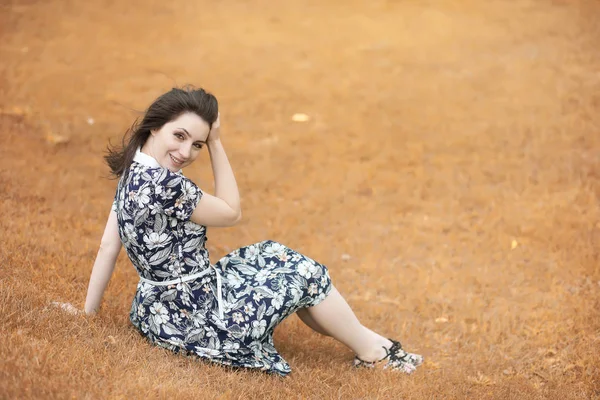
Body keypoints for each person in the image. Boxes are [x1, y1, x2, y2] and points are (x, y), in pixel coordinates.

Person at [84, 86, 423, 376]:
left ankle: (367, 339)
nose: (186, 153)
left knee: (272, 257)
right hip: (202, 318)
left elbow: (107, 246)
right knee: (303, 273)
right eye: (180, 136)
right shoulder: (166, 185)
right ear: (154, 127)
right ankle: (374, 351)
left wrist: (88, 312)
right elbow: (233, 212)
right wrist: (216, 143)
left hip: (157, 313)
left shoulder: (133, 170)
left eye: (198, 144)